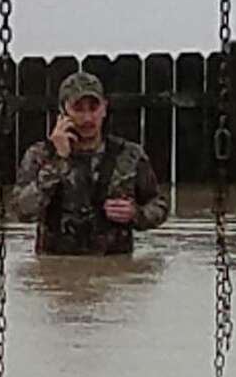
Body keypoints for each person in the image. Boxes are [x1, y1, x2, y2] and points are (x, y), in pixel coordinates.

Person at [12, 71, 168, 254]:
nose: (87, 118)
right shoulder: (40, 155)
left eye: (93, 108)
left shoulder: (129, 155)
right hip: (56, 270)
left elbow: (159, 205)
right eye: (78, 109)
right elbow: (22, 211)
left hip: (115, 271)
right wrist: (58, 162)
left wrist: (136, 214)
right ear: (63, 111)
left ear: (104, 109)